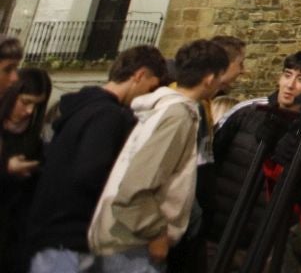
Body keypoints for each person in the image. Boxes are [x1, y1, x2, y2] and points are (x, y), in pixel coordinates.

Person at [20, 47, 167, 273]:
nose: (149, 94)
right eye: (152, 86)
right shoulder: (108, 116)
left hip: (52, 231)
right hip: (68, 236)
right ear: (139, 75)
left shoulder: (82, 106)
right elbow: (90, 173)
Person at [87, 40, 230, 273]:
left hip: (125, 241)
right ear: (210, 77)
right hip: (133, 246)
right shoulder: (177, 116)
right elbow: (136, 186)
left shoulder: (164, 108)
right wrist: (156, 235)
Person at [199, 53, 301, 272]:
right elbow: (210, 160)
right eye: (287, 75)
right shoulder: (247, 112)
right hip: (215, 232)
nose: (290, 85)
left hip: (260, 245)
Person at [3, 68, 53, 272]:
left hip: (14, 244)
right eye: (25, 102)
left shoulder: (34, 144)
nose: (30, 111)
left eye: (37, 105)